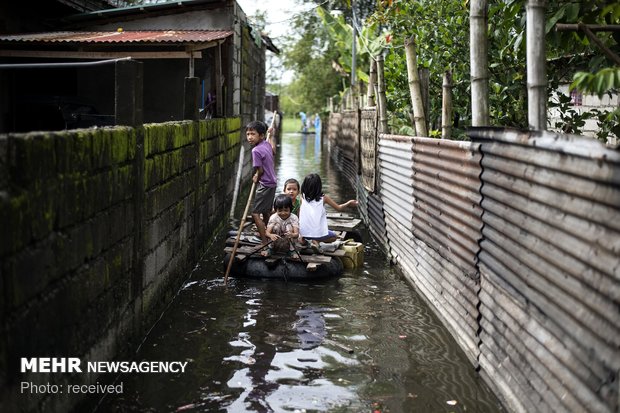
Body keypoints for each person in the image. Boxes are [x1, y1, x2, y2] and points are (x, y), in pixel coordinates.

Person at [299, 173, 358, 249]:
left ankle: (308, 240)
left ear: (304, 186)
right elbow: (339, 208)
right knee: (334, 237)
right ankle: (316, 241)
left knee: (310, 233)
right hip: (319, 234)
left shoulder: (302, 198)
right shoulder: (324, 198)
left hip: (304, 233)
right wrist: (349, 203)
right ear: (319, 187)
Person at [246, 120, 277, 244]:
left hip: (265, 184)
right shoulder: (266, 144)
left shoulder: (256, 151)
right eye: (248, 134)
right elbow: (274, 151)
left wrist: (256, 177)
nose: (249, 137)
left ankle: (264, 241)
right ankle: (270, 233)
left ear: (262, 136)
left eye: (253, 134)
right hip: (273, 182)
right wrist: (272, 136)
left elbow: (261, 170)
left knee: (255, 214)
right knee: (266, 211)